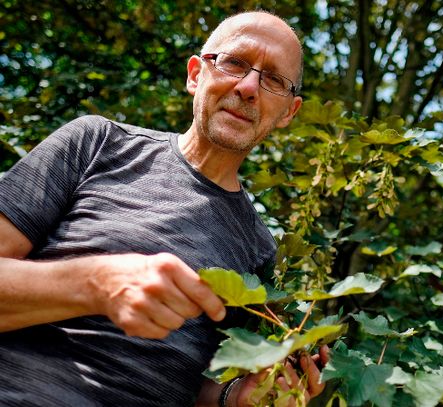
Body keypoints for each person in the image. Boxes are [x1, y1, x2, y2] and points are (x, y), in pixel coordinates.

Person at [0, 10, 328, 407]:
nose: (248, 86)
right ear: (195, 75)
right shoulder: (97, 144)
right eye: (235, 62)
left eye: (274, 79)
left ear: (288, 113)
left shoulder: (259, 251)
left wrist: (235, 397)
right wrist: (94, 283)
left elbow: (195, 384)